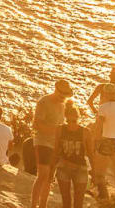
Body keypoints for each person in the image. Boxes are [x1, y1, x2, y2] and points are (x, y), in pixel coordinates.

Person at [32, 79, 72, 208]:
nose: (64, 98)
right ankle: (33, 205)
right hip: (42, 141)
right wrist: (58, 130)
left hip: (55, 144)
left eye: (66, 96)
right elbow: (37, 124)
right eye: (62, 95)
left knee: (50, 177)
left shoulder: (62, 104)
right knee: (42, 174)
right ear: (56, 90)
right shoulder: (44, 102)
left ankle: (43, 205)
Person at [51, 102, 92, 208]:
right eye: (68, 121)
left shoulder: (85, 132)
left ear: (78, 119)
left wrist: (94, 173)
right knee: (66, 200)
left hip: (81, 169)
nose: (71, 124)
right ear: (65, 119)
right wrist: (51, 171)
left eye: (73, 121)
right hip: (63, 168)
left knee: (79, 201)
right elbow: (55, 151)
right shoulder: (60, 129)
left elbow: (91, 154)